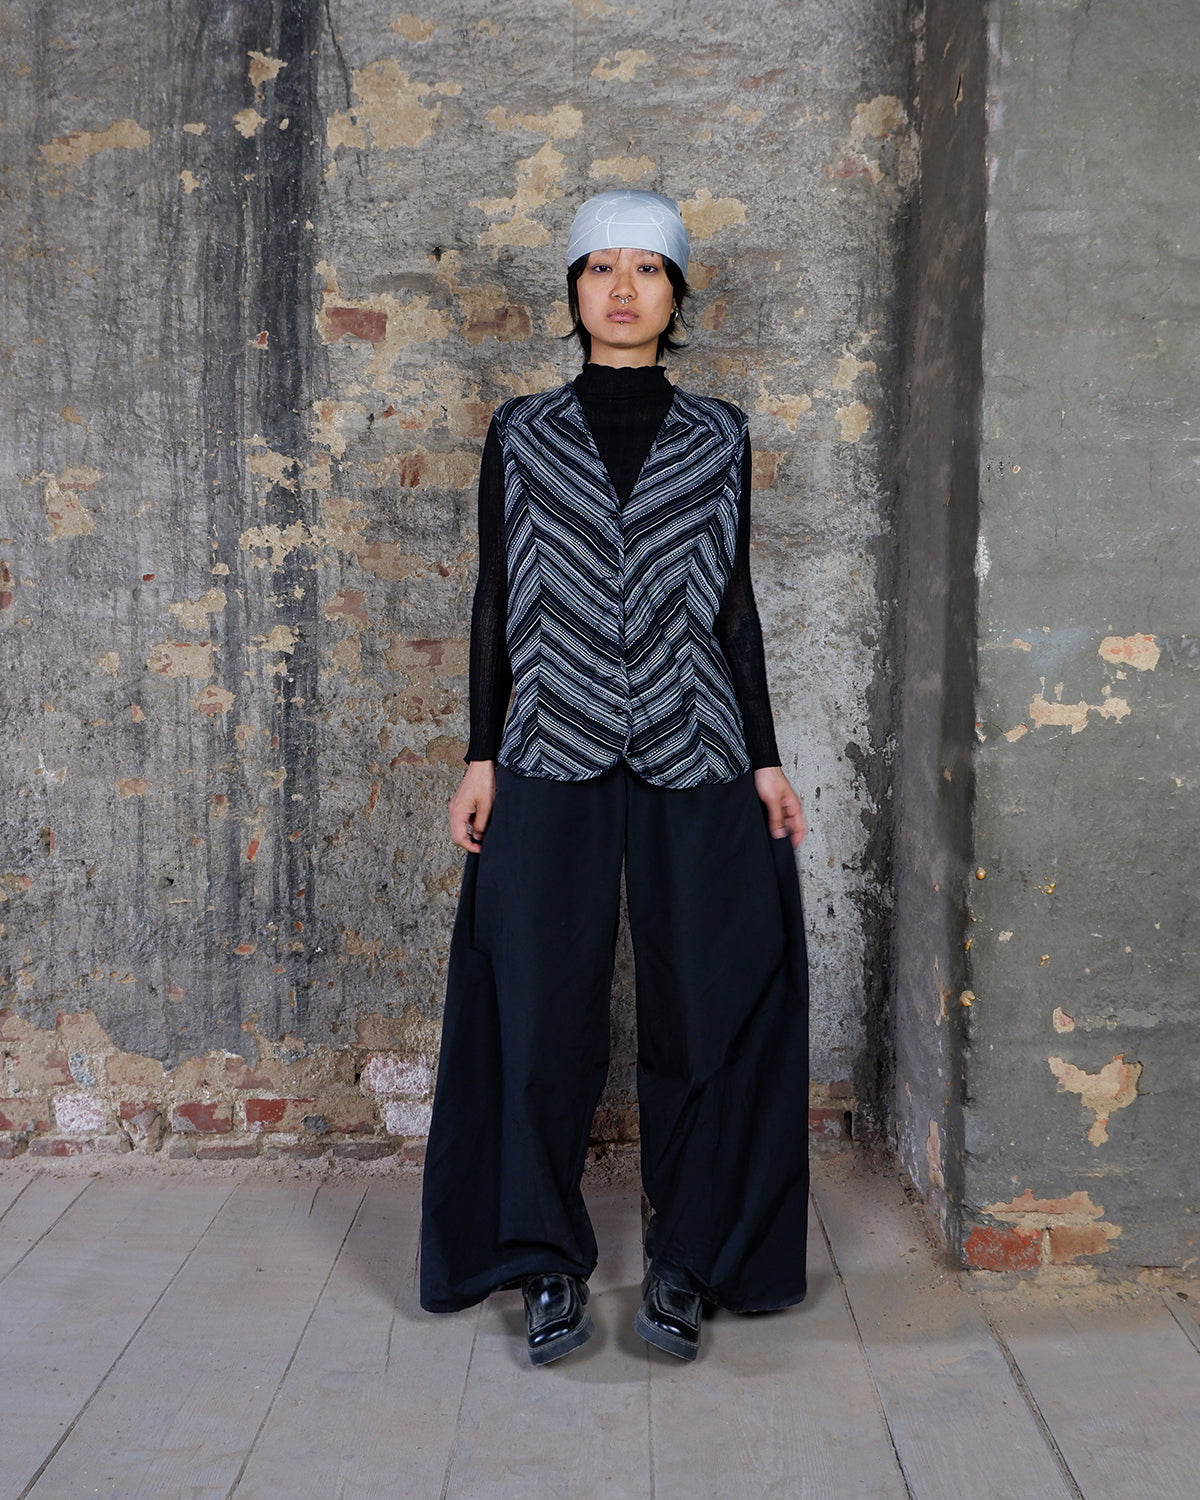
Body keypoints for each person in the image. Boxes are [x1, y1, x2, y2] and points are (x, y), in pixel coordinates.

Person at [419, 189, 810, 1366]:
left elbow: (734, 606)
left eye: (648, 268)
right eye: (601, 267)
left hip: (697, 743)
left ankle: (690, 1263)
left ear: (677, 294)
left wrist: (766, 759)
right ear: (575, 290)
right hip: (551, 741)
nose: (624, 288)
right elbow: (496, 598)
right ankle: (541, 1259)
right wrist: (481, 753)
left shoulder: (720, 434)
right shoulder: (522, 431)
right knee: (538, 1007)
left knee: (709, 1005)